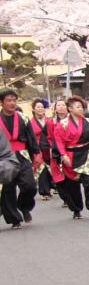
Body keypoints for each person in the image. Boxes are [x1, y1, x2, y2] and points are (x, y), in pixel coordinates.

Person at [53, 96, 89, 220]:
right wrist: (63, 155)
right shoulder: (63, 124)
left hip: (87, 154)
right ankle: (76, 209)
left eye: (81, 106)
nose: (81, 109)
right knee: (72, 186)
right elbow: (58, 141)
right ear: (70, 109)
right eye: (77, 107)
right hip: (71, 155)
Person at [0, 89, 39, 229]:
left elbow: (31, 138)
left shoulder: (23, 118)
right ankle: (14, 219)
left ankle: (24, 206)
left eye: (13, 100)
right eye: (8, 100)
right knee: (8, 189)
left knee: (30, 185)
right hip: (3, 157)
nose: (11, 103)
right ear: (2, 103)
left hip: (22, 155)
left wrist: (37, 154)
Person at [30, 99, 54, 200]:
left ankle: (51, 187)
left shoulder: (50, 120)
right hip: (37, 148)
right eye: (38, 107)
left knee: (51, 167)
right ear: (34, 109)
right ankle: (44, 192)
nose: (40, 109)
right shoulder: (30, 123)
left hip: (49, 147)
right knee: (41, 168)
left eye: (42, 107)